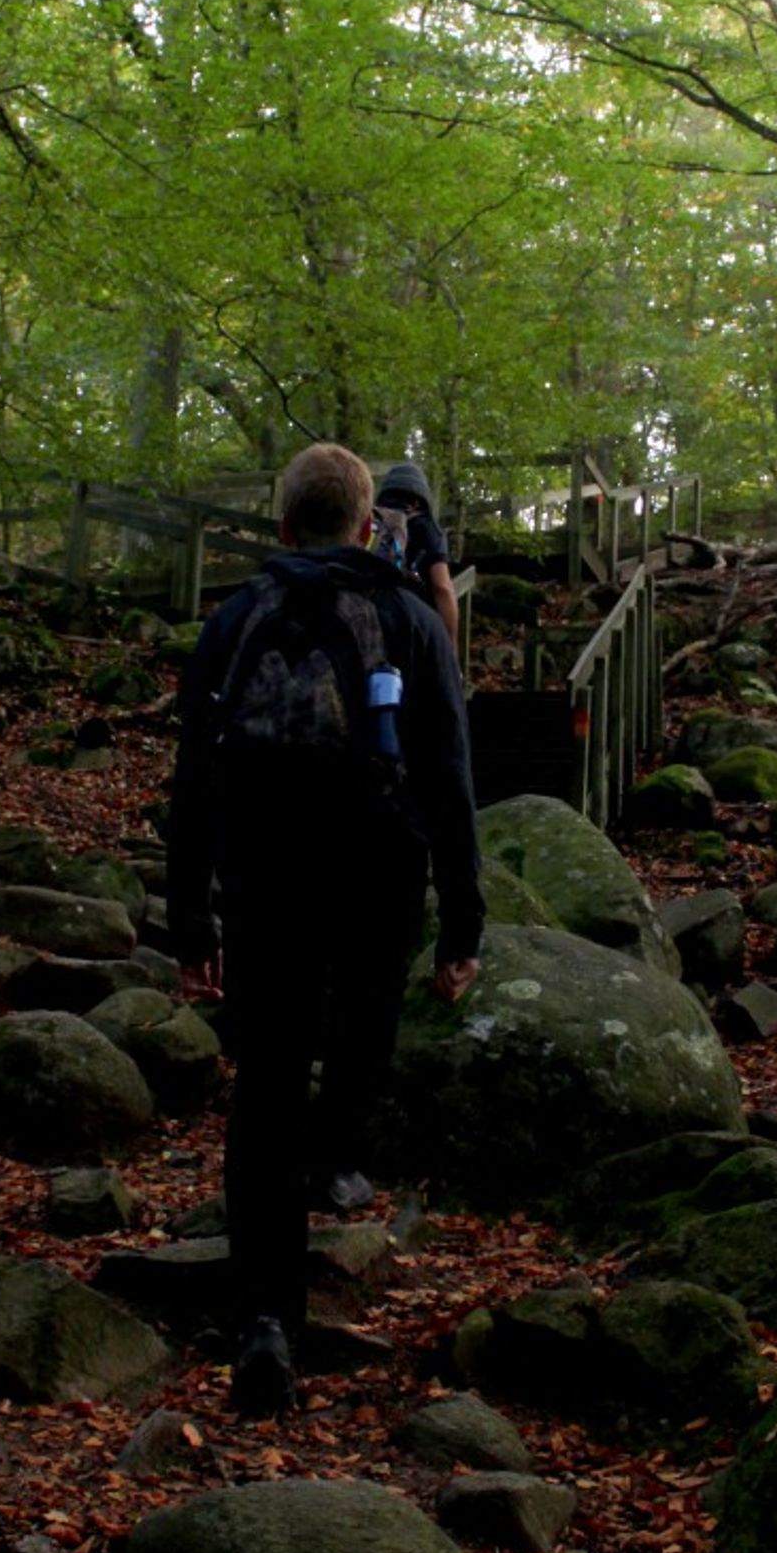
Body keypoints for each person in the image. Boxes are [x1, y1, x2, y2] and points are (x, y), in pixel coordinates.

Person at [167, 442, 484, 1417]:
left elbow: (193, 783)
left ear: (280, 529)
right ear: (367, 527)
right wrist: (464, 918)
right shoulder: (409, 621)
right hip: (379, 876)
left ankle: (267, 1317)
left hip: (265, 882)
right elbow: (450, 776)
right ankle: (336, 1159)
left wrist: (191, 919)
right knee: (363, 1034)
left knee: (263, 1086)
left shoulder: (233, 621)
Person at [374, 458, 459, 653]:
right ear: (418, 499)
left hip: (370, 625)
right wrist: (451, 648)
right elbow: (442, 587)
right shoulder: (428, 529)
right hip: (416, 628)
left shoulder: (370, 525)